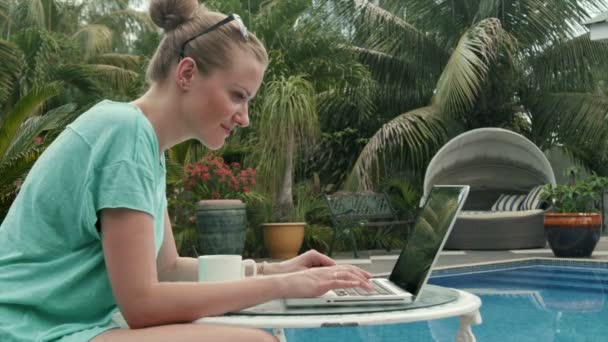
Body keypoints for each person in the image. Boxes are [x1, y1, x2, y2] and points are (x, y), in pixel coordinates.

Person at [0, 0, 373, 341]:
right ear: (187, 73)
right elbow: (143, 304)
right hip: (25, 330)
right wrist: (284, 287)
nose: (244, 118)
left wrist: (277, 272)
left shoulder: (146, 146)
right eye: (238, 96)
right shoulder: (124, 134)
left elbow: (170, 269)